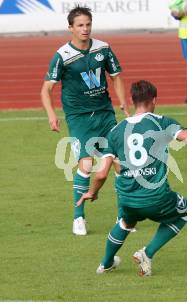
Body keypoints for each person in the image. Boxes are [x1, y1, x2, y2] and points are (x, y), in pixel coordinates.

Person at [77, 80, 187, 276]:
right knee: (184, 211)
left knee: (125, 222)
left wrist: (91, 192)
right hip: (157, 198)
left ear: (132, 100)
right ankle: (147, 253)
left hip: (127, 199)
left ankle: (105, 265)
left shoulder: (116, 131)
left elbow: (101, 173)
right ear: (154, 100)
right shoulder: (163, 122)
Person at [40, 5, 129, 236]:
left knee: (120, 163)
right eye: (80, 25)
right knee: (87, 165)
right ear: (70, 28)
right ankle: (78, 218)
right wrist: (52, 114)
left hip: (105, 113)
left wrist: (123, 103)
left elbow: (116, 77)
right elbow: (46, 89)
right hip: (79, 118)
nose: (85, 29)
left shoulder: (104, 48)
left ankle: (124, 216)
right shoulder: (63, 56)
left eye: (88, 24)